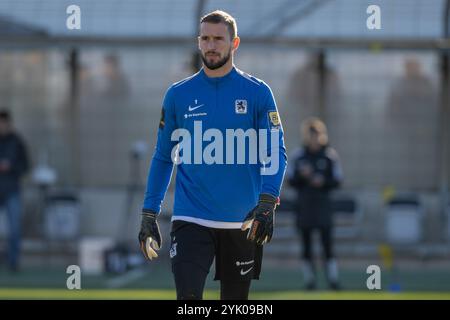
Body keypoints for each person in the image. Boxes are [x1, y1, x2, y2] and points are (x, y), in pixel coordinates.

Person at [138, 10, 287, 300]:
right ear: (198, 42)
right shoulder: (177, 95)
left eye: (219, 39)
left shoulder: (258, 93)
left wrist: (267, 202)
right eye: (205, 38)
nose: (211, 45)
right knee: (188, 298)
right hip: (190, 219)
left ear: (235, 43)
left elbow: (275, 151)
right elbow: (163, 157)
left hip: (242, 222)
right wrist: (148, 212)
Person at [287, 117, 342, 290]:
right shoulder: (298, 155)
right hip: (304, 206)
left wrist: (322, 181)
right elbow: (290, 180)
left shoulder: (329, 155)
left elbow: (338, 180)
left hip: (323, 206)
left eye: (316, 134)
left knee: (327, 245)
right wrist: (302, 176)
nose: (314, 138)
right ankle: (309, 281)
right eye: (310, 135)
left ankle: (333, 280)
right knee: (306, 245)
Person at [0, 110, 30, 272]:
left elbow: (25, 166)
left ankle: (13, 262)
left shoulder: (17, 142)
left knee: (14, 229)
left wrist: (11, 167)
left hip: (12, 190)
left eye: (4, 123)